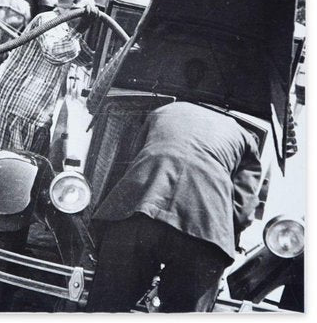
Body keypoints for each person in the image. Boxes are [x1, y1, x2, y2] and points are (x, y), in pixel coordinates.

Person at [85, 101, 262, 312]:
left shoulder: (163, 111)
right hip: (205, 230)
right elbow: (243, 210)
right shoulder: (244, 136)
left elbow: (131, 162)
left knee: (106, 306)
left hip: (142, 211)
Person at [0, 0, 98, 156]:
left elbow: (84, 57)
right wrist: (80, 29)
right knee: (13, 168)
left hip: (35, 112)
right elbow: (55, 54)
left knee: (34, 168)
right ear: (76, 3)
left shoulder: (66, 29)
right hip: (20, 108)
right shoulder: (48, 20)